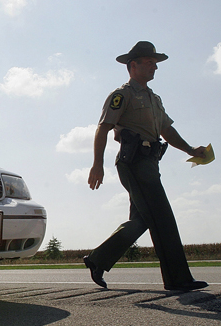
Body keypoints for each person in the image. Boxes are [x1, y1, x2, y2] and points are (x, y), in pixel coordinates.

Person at [84, 41, 208, 291]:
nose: (154, 67)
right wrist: (98, 164)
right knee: (162, 216)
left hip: (150, 162)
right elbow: (103, 128)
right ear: (133, 65)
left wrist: (190, 150)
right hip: (134, 161)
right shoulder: (122, 95)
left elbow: (166, 130)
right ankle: (178, 279)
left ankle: (98, 259)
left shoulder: (154, 98)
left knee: (142, 220)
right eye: (149, 62)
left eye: (155, 63)